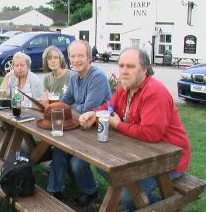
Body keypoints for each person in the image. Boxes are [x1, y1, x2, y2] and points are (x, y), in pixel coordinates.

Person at [79, 47, 191, 211]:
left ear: (144, 70)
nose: (124, 71)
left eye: (130, 66)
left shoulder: (154, 92)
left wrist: (116, 124)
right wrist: (93, 113)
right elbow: (110, 106)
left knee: (128, 196)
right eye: (121, 65)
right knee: (105, 167)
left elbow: (150, 133)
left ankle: (168, 206)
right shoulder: (125, 87)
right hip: (142, 153)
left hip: (168, 160)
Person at [47, 40, 111, 206]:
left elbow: (87, 109)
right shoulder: (75, 77)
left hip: (99, 131)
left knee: (76, 162)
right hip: (79, 127)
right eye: (72, 56)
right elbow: (64, 101)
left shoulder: (97, 77)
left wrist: (72, 106)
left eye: (80, 55)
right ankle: (55, 191)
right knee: (59, 150)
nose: (76, 59)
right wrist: (66, 106)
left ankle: (91, 191)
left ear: (89, 58)